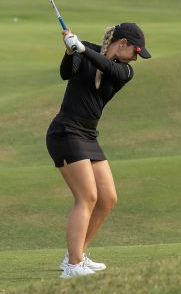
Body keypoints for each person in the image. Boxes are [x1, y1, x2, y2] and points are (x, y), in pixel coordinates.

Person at [46, 23, 151, 278]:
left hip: (88, 135)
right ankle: (72, 266)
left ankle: (78, 254)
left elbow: (107, 66)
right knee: (88, 197)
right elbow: (65, 73)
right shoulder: (86, 51)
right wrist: (70, 52)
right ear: (123, 43)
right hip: (66, 132)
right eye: (135, 51)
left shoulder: (125, 70)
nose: (136, 58)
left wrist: (80, 48)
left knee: (108, 198)